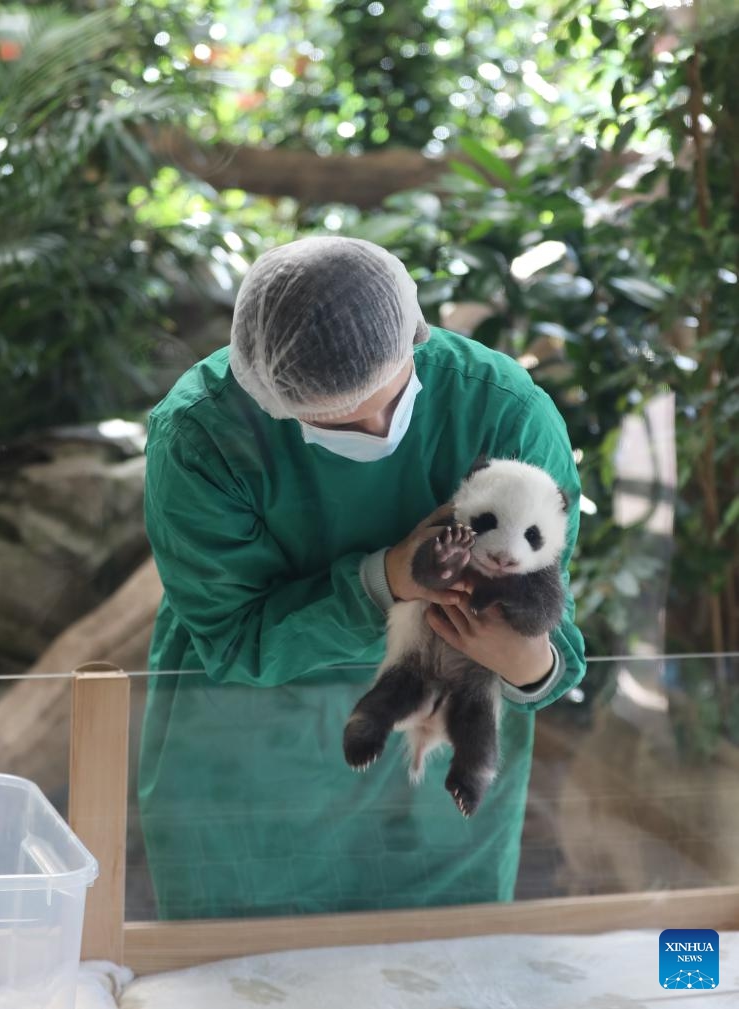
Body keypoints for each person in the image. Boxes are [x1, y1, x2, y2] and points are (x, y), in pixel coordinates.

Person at [140, 235, 586, 920]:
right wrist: (385, 580)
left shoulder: (503, 412)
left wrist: (531, 664)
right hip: (253, 773)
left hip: (432, 787)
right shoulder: (202, 438)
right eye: (337, 420)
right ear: (267, 394)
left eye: (388, 396)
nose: (377, 430)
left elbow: (551, 613)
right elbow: (230, 637)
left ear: (417, 332)